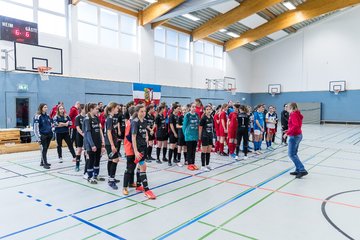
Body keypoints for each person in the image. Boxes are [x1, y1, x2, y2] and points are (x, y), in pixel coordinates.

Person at [131, 104, 156, 199]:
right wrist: (136, 151)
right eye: (141, 111)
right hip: (138, 147)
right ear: (137, 112)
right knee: (143, 166)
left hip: (144, 145)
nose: (144, 113)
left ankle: (138, 185)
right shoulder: (135, 122)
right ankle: (147, 190)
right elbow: (133, 137)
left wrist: (147, 135)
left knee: (139, 166)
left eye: (144, 111)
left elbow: (145, 129)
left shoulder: (144, 121)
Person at [284, 103, 308, 179]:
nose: (286, 108)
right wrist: (288, 130)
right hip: (297, 135)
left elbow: (296, 125)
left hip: (294, 136)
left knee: (291, 154)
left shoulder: (293, 114)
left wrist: (287, 133)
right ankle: (298, 170)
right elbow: (295, 125)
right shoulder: (295, 114)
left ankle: (302, 169)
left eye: (287, 106)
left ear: (291, 107)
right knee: (294, 153)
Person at [83, 103, 105, 184]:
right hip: (91, 144)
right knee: (91, 161)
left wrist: (102, 142)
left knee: (97, 161)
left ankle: (96, 175)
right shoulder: (87, 119)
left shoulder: (96, 118)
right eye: (96, 108)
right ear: (91, 109)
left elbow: (99, 130)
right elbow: (88, 133)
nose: (97, 110)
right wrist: (92, 145)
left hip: (98, 143)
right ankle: (90, 177)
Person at [104, 102, 121, 190]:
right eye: (117, 108)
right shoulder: (110, 118)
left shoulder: (110, 118)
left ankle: (111, 177)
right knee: (115, 159)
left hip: (110, 142)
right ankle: (111, 181)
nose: (118, 109)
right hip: (110, 143)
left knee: (111, 159)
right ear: (113, 108)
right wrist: (112, 145)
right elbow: (108, 132)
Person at [122, 106, 137, 195]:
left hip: (134, 148)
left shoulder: (134, 122)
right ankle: (124, 187)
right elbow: (128, 135)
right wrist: (135, 143)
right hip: (130, 148)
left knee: (133, 167)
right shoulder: (129, 122)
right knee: (129, 168)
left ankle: (131, 183)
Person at [33, 103, 53, 169]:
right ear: (41, 108)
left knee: (45, 149)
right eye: (45, 107)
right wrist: (38, 138)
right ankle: (45, 163)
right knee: (43, 149)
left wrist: (51, 131)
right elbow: (35, 128)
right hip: (42, 135)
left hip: (49, 135)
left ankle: (42, 162)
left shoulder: (47, 116)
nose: (46, 108)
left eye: (46, 107)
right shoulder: (37, 116)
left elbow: (50, 124)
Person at [183, 103, 199, 171]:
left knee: (193, 150)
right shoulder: (187, 115)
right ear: (190, 108)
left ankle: (193, 163)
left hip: (195, 135)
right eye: (193, 107)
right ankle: (189, 164)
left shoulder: (197, 115)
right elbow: (184, 126)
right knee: (189, 150)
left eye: (195, 107)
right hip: (189, 136)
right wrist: (185, 134)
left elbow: (197, 124)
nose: (194, 108)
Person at [199, 105, 214, 171]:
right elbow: (200, 127)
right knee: (204, 151)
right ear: (204, 111)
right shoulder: (203, 118)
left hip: (210, 136)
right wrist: (199, 136)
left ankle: (207, 164)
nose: (208, 111)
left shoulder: (211, 117)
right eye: (207, 109)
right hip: (204, 136)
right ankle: (203, 166)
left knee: (209, 151)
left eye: (209, 109)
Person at [75, 104, 86, 172]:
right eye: (85, 108)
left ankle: (87, 164)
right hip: (80, 136)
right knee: (79, 150)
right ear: (81, 109)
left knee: (86, 151)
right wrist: (83, 134)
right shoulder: (78, 117)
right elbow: (77, 128)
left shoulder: (87, 117)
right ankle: (77, 165)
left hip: (86, 136)